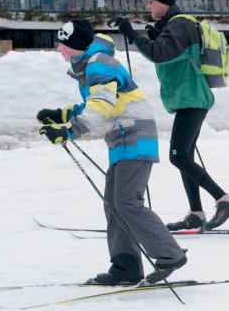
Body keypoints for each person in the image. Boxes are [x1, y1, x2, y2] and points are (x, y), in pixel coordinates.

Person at [37, 19, 187, 285]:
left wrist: (69, 131)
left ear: (73, 45)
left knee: (127, 201)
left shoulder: (97, 65)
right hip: (122, 139)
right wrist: (60, 115)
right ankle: (126, 267)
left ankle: (170, 254)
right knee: (114, 203)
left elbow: (101, 105)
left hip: (135, 136)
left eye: (61, 44)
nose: (58, 49)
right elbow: (96, 103)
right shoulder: (90, 64)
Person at [112, 0, 229, 232]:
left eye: (151, 2)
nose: (148, 6)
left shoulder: (179, 24)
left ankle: (224, 200)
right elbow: (171, 51)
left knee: (178, 156)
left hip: (192, 97)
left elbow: (160, 53)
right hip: (188, 98)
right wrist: (152, 35)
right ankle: (196, 214)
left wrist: (132, 34)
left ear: (163, 3)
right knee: (184, 157)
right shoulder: (175, 25)